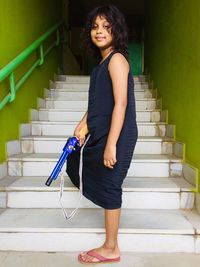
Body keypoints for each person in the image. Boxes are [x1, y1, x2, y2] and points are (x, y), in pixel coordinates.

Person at [66, 3, 138, 265]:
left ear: (116, 30)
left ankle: (111, 247)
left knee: (110, 185)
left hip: (117, 133)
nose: (99, 31)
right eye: (95, 27)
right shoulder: (100, 65)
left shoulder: (117, 59)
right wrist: (82, 124)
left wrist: (111, 145)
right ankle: (110, 245)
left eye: (106, 27)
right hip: (101, 130)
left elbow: (120, 104)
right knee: (75, 160)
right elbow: (98, 103)